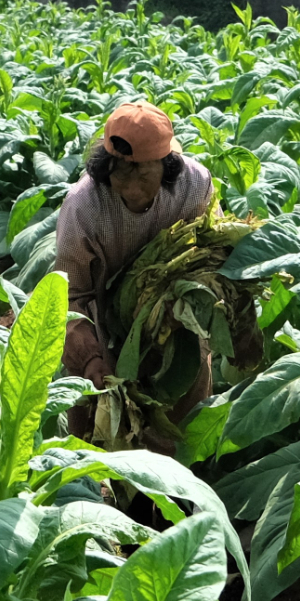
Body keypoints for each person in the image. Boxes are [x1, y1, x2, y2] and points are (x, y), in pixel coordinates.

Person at [57, 101, 213, 393]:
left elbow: (206, 256)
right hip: (102, 317)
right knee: (95, 414)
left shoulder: (193, 186)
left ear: (167, 169)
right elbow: (71, 294)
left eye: (143, 177)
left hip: (175, 318)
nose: (131, 189)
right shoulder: (84, 207)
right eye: (121, 176)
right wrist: (89, 356)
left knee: (185, 400)